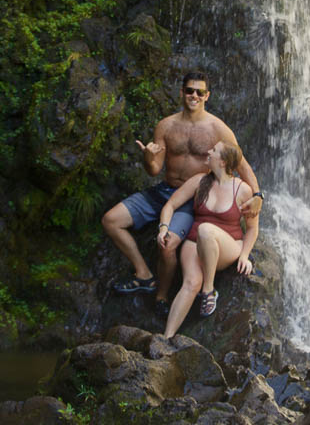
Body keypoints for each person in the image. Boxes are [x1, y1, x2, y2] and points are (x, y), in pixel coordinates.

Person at [101, 70, 264, 314]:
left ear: (207, 96)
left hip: (193, 198)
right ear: (182, 92)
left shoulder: (218, 130)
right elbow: (154, 169)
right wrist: (148, 158)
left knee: (167, 244)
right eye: (190, 90)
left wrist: (258, 196)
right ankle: (144, 274)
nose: (194, 96)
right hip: (164, 191)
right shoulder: (166, 126)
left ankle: (161, 297)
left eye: (200, 92)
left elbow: (242, 165)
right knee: (110, 220)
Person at [158, 140, 258, 337]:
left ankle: (208, 291)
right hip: (195, 243)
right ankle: (165, 338)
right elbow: (170, 205)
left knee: (206, 229)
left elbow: (253, 229)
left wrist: (245, 255)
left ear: (222, 162)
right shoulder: (199, 181)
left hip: (226, 246)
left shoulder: (243, 190)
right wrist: (163, 228)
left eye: (214, 150)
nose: (208, 151)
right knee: (190, 283)